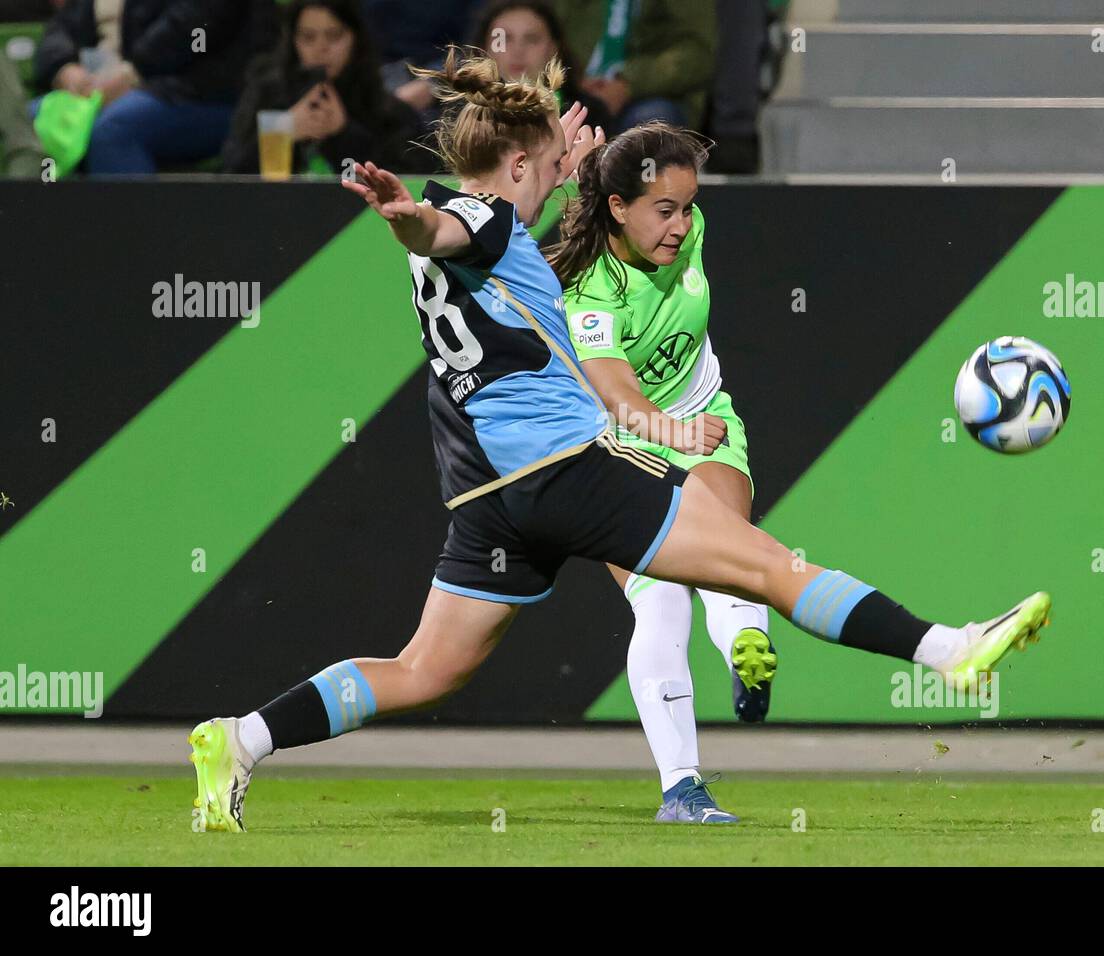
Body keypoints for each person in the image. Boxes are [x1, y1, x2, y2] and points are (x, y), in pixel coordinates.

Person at [186, 49, 1051, 833]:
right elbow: (449, 227)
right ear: (518, 167)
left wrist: (505, 181)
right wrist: (403, 214)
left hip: (488, 502)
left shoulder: (487, 225)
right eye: (556, 163)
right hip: (565, 469)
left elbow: (469, 229)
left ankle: (241, 737)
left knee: (425, 670)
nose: (568, 172)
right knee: (763, 565)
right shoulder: (473, 223)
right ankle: (950, 650)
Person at [548, 122, 774, 822]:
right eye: (663, 209)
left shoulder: (691, 228)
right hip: (627, 447)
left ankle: (746, 641)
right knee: (663, 600)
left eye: (688, 205)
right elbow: (617, 398)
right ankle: (682, 788)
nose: (681, 224)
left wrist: (688, 427)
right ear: (619, 208)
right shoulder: (590, 292)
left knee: (730, 548)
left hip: (707, 419)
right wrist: (671, 432)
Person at [31, 0, 276, 175]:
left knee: (115, 130)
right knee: (30, 121)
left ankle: (134, 243)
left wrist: (134, 72)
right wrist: (63, 66)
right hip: (105, 89)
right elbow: (62, 27)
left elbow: (193, 25)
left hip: (205, 93)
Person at [221, 0, 430, 175]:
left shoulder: (386, 109)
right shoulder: (267, 94)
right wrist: (283, 131)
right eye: (308, 37)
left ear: (355, 38)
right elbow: (231, 177)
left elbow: (406, 188)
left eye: (333, 35)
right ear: (293, 41)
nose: (321, 48)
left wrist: (344, 133)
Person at [550, 0, 715, 133]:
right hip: (572, 87)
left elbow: (698, 54)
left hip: (648, 97)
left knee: (653, 121)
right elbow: (541, 27)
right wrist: (573, 78)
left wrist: (627, 84)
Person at [474, 0, 612, 135]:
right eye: (504, 39)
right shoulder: (459, 115)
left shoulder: (588, 115)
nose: (518, 51)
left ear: (554, 48)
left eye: (531, 39)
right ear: (484, 48)